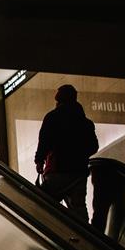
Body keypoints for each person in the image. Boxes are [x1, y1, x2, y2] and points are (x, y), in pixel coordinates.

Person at [34, 84, 99, 219]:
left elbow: (44, 141)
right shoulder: (85, 123)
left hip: (58, 171)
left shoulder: (52, 118)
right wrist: (80, 155)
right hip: (79, 173)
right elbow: (94, 146)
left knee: (42, 205)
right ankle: (86, 237)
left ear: (59, 99)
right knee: (79, 209)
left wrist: (39, 161)